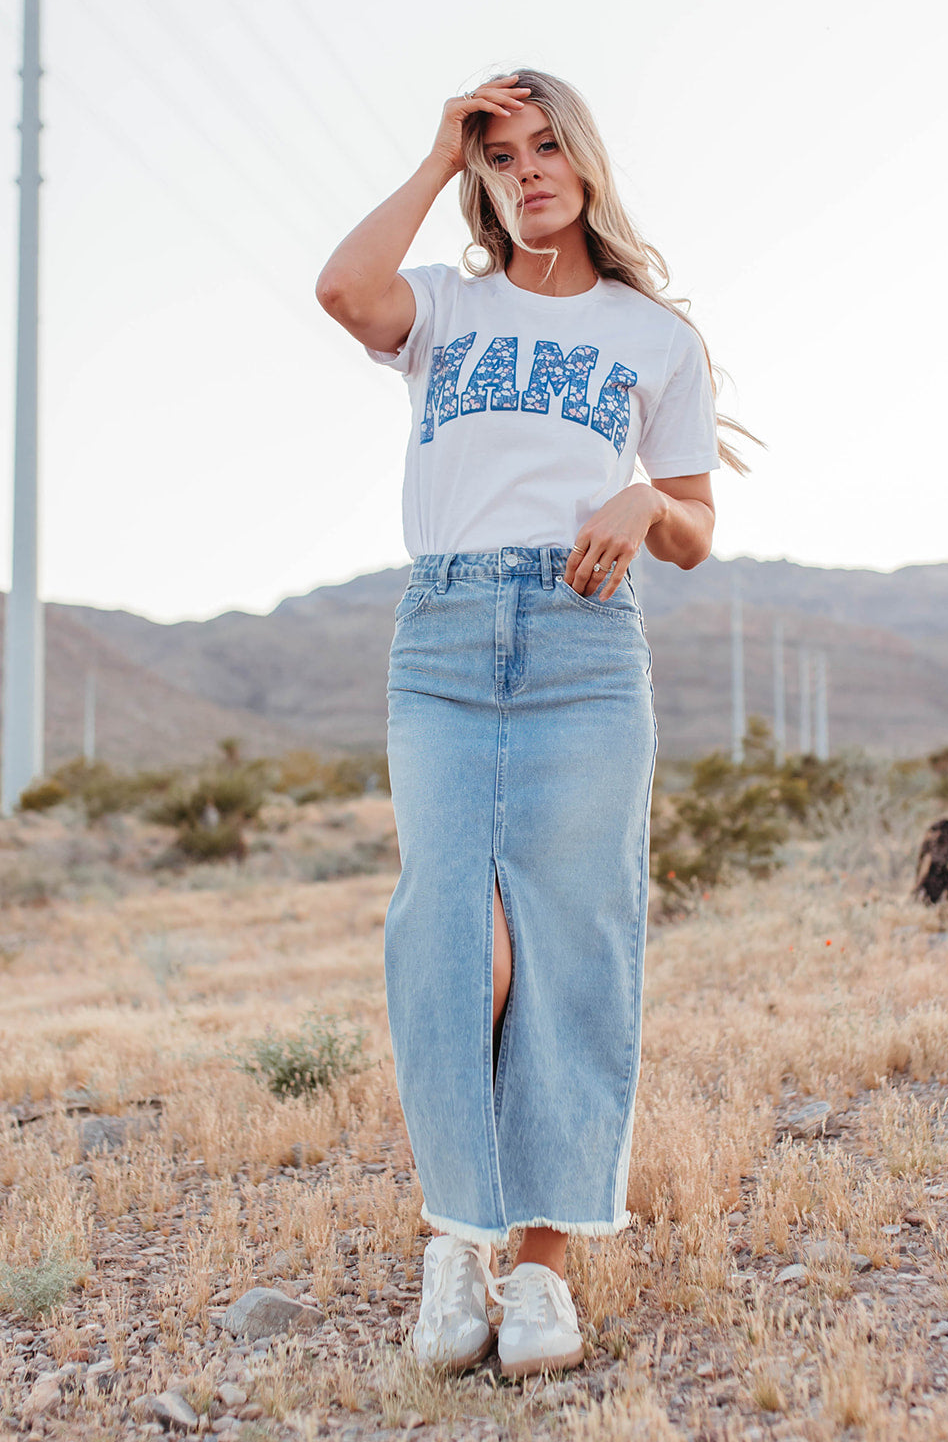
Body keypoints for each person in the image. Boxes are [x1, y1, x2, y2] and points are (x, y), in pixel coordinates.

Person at [316, 69, 747, 1378]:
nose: (529, 169)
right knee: (450, 929)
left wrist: (639, 507)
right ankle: (457, 1238)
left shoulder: (653, 337)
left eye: (547, 146)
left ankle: (545, 1272)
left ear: (589, 161)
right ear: (479, 177)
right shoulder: (442, 306)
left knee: (573, 938)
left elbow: (695, 531)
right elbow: (343, 290)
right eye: (501, 153)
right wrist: (437, 152)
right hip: (446, 639)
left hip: (580, 643)